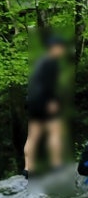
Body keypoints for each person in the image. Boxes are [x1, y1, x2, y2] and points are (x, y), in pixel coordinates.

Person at [23, 34, 67, 178]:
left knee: (33, 136)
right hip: (45, 101)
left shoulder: (39, 62)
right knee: (55, 132)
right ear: (55, 48)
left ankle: (28, 168)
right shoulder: (52, 62)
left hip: (33, 103)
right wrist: (52, 101)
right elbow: (49, 85)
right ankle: (56, 165)